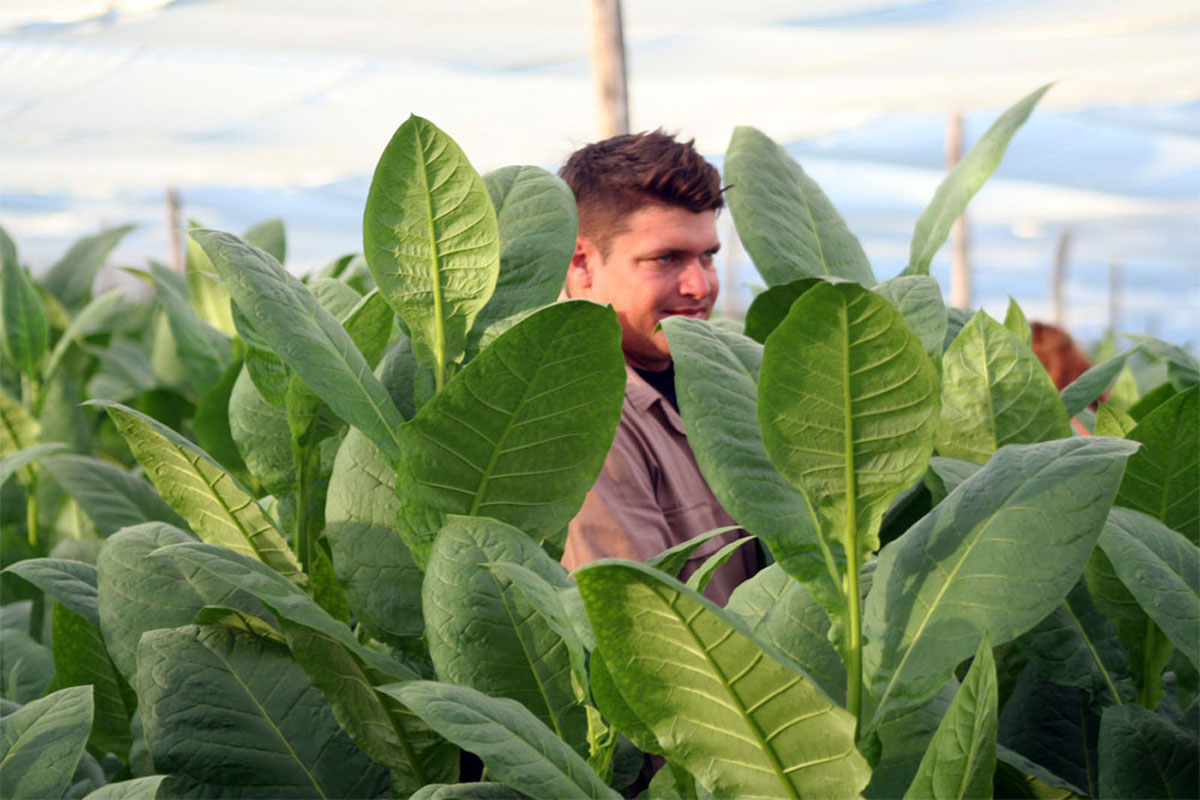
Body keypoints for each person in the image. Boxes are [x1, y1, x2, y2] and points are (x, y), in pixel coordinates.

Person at [558, 130, 757, 604]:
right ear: (582, 263)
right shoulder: (579, 413)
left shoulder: (731, 379)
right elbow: (642, 625)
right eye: (665, 259)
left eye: (707, 256)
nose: (699, 285)